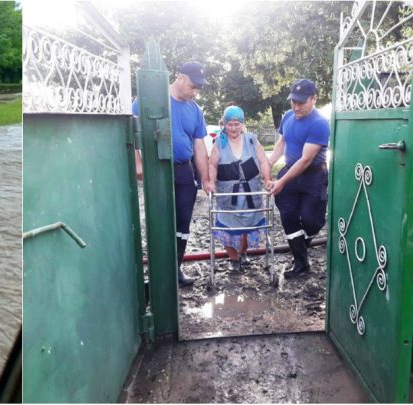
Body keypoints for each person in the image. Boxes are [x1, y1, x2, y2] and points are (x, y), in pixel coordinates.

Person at [132, 61, 212, 287]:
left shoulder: (195, 110)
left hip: (184, 171)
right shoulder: (149, 100)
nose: (195, 92)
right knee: (159, 220)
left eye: (199, 88)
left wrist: (205, 179)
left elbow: (199, 146)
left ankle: (175, 268)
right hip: (157, 170)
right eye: (193, 86)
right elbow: (131, 130)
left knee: (183, 222)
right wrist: (138, 162)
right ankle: (157, 272)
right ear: (180, 77)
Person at [266, 79, 330, 279]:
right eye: (293, 101)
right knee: (288, 216)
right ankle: (301, 264)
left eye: (301, 102)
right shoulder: (287, 116)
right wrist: (269, 162)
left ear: (314, 99)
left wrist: (281, 182)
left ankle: (300, 249)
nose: (296, 106)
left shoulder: (319, 123)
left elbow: (305, 160)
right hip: (289, 172)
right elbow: (281, 142)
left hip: (313, 176)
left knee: (313, 220)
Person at [205, 106, 272, 272]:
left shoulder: (251, 139)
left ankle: (243, 252)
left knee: (248, 226)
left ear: (242, 124)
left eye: (237, 124)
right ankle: (234, 259)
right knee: (226, 226)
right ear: (224, 124)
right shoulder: (219, 142)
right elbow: (212, 165)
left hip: (251, 192)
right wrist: (211, 182)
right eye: (230, 124)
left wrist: (267, 178)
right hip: (228, 194)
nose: (233, 128)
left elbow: (263, 160)